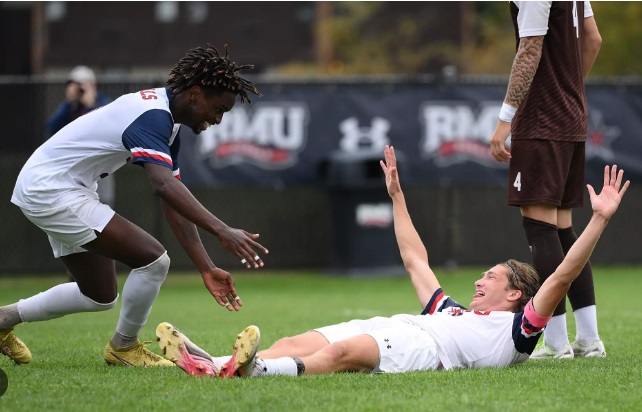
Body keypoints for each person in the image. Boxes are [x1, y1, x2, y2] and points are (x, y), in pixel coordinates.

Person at [156, 146, 628, 378]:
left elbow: (563, 273)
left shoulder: (519, 332)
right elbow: (413, 258)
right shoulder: (452, 312)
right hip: (396, 323)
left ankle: (251, 371)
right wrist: (398, 196)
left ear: (516, 295)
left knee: (342, 355)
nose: (480, 281)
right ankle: (213, 364)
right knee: (292, 339)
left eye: (492, 278)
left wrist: (599, 221)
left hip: (422, 350)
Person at [0, 44, 269, 367]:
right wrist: (222, 230)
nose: (218, 118)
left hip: (55, 186)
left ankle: (3, 319)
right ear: (196, 94)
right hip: (52, 189)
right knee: (153, 261)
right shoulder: (154, 116)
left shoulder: (168, 126)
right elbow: (163, 186)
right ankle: (123, 347)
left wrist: (206, 267)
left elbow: (174, 199)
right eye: (219, 108)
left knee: (99, 295)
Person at [489, 2, 604, 359]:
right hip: (571, 118)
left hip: (541, 121)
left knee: (540, 229)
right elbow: (594, 39)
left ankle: (556, 343)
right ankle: (589, 339)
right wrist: (567, 89)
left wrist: (505, 118)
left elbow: (530, 49)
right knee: (563, 230)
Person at [47, 66, 115, 280]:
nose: (77, 89)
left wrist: (91, 103)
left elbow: (110, 125)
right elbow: (50, 129)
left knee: (103, 222)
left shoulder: (103, 104)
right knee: (74, 221)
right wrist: (69, 103)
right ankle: (76, 273)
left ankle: (104, 272)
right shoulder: (68, 109)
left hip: (100, 173)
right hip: (72, 176)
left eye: (81, 85)